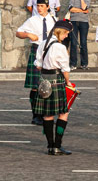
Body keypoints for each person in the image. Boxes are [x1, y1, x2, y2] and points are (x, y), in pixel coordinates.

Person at [34, 19, 75, 155]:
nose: (66, 36)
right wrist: (68, 82)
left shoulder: (43, 43)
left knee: (47, 114)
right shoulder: (60, 47)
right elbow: (65, 69)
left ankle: (50, 146)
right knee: (64, 113)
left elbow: (38, 64)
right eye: (66, 33)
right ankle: (57, 145)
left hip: (43, 79)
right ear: (61, 32)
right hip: (56, 79)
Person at [16, 0, 57, 125]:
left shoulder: (54, 20)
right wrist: (28, 34)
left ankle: (46, 112)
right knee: (35, 85)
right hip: (37, 50)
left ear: (47, 7)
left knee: (48, 83)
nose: (39, 8)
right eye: (37, 6)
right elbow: (18, 32)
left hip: (49, 52)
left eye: (42, 6)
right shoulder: (32, 20)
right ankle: (36, 115)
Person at [68, 0, 91, 71]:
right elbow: (71, 9)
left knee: (83, 43)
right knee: (73, 43)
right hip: (73, 21)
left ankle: (84, 64)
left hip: (84, 22)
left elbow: (85, 8)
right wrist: (81, 10)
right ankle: (73, 64)